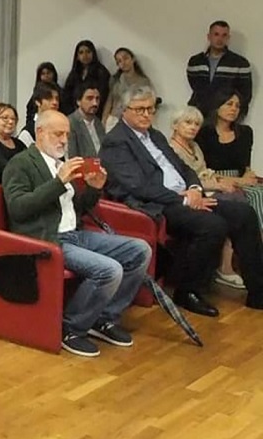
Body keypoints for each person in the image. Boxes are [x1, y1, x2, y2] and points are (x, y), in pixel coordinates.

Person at [100, 85, 263, 315]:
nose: (147, 114)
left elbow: (184, 168)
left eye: (151, 109)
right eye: (140, 109)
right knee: (212, 225)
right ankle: (187, 291)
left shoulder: (155, 135)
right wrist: (183, 199)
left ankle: (258, 291)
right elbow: (137, 186)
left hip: (187, 194)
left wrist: (195, 188)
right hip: (158, 203)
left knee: (243, 213)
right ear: (124, 110)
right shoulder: (116, 141)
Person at [3, 110, 152, 357]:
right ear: (40, 132)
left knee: (140, 250)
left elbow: (76, 209)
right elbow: (18, 209)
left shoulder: (62, 163)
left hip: (74, 233)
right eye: (58, 134)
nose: (64, 140)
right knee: (110, 270)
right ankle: (70, 328)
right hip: (46, 239)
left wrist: (94, 189)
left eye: (67, 135)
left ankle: (103, 318)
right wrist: (58, 183)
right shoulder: (20, 163)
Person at [167, 106, 246, 290]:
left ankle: (235, 263)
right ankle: (224, 268)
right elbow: (186, 180)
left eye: (196, 124)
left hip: (207, 187)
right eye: (188, 122)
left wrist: (222, 181)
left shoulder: (195, 147)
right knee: (232, 203)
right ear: (175, 125)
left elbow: (204, 172)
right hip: (191, 195)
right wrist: (218, 185)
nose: (193, 127)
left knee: (240, 197)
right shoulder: (171, 149)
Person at [187, 20, 252, 118]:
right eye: (216, 34)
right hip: (198, 115)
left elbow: (245, 95)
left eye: (224, 35)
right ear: (209, 36)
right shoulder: (195, 62)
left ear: (228, 38)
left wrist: (234, 114)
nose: (220, 39)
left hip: (226, 118)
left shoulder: (240, 63)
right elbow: (195, 87)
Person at [196, 90, 257, 190]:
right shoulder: (203, 133)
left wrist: (247, 176)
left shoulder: (245, 132)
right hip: (214, 182)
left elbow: (246, 167)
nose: (234, 109)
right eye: (229, 104)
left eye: (237, 106)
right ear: (217, 106)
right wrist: (239, 181)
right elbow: (202, 171)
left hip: (241, 182)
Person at [104, 47, 153, 126]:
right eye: (119, 61)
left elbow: (148, 103)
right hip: (115, 119)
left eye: (125, 58)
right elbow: (110, 100)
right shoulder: (115, 79)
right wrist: (104, 119)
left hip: (134, 120)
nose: (123, 63)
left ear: (133, 59)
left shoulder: (143, 81)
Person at [61, 40, 111, 117]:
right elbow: (67, 95)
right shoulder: (74, 73)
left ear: (93, 54)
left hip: (95, 113)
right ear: (77, 56)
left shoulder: (101, 72)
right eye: (81, 52)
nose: (85, 55)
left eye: (88, 52)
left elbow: (103, 96)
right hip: (75, 113)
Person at [67, 83, 106, 158]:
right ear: (78, 101)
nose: (95, 103)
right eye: (89, 98)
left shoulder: (98, 122)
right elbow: (72, 157)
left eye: (97, 99)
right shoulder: (70, 123)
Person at [24, 62, 61, 136]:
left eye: (57, 99)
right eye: (49, 98)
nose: (55, 102)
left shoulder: (62, 127)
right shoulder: (28, 132)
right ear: (37, 102)